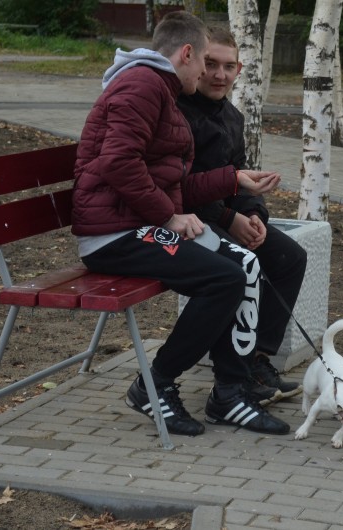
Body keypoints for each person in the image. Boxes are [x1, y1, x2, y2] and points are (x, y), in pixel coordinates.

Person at [71, 12, 290, 437]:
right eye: (206, 60)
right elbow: (118, 163)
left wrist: (233, 179)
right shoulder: (143, 85)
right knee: (223, 278)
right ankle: (154, 384)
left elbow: (168, 179)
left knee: (245, 265)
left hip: (138, 224)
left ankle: (229, 394)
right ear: (187, 53)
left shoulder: (159, 88)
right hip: (113, 235)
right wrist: (168, 217)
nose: (209, 72)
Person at [177, 26, 307, 406]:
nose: (219, 75)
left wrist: (254, 215)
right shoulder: (179, 114)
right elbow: (181, 188)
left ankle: (257, 361)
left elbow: (239, 177)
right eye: (211, 64)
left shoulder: (233, 117)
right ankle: (234, 372)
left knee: (289, 258)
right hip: (185, 222)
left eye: (229, 66)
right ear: (195, 62)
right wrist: (228, 220)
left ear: (240, 69)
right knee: (238, 269)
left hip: (221, 217)